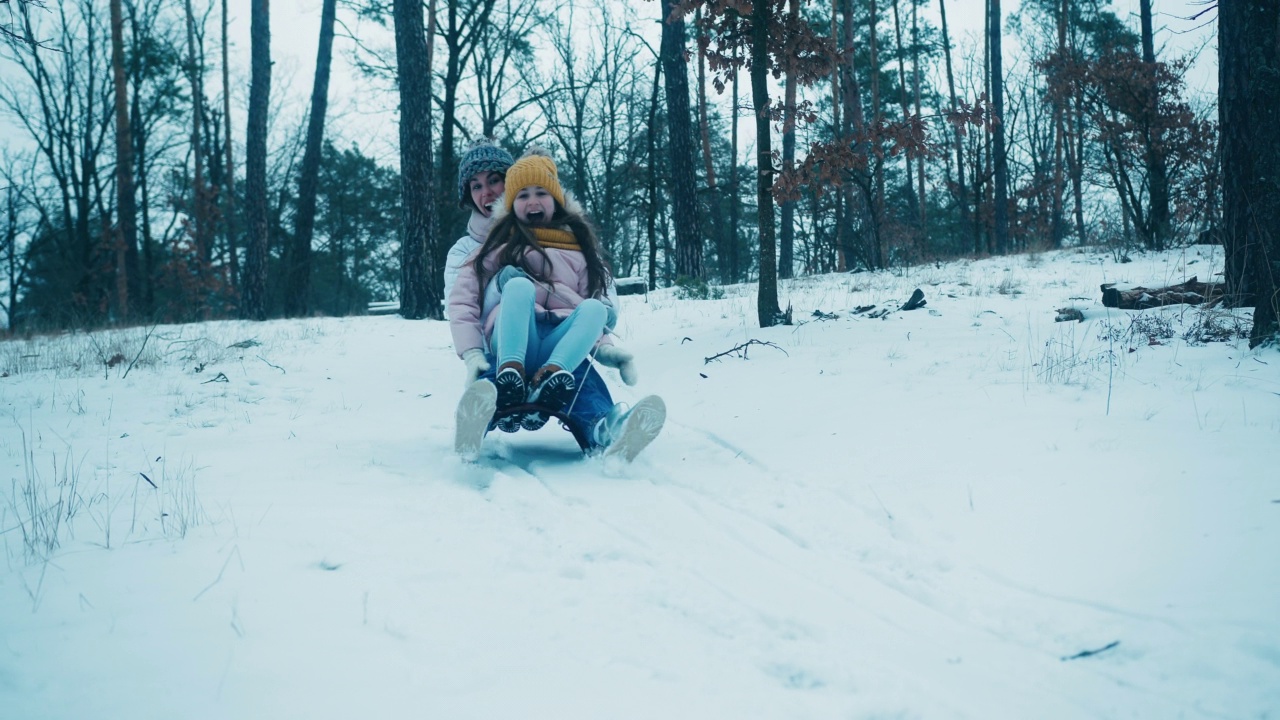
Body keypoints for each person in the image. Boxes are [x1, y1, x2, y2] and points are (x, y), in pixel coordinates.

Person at [449, 148, 662, 460]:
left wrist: (604, 346)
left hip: (559, 347)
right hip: (513, 341)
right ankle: (473, 425)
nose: (532, 202)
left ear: (557, 200)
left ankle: (607, 428)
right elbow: (462, 297)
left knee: (586, 350)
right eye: (522, 195)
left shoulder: (579, 248)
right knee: (496, 374)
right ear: (510, 204)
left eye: (541, 193)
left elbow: (598, 298)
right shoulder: (497, 244)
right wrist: (472, 354)